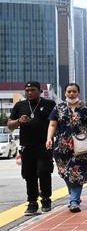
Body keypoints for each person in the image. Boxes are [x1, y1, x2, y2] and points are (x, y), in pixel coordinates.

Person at [46, 83, 87, 213]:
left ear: (78, 93)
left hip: (83, 146)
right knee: (65, 173)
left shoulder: (86, 107)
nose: (71, 94)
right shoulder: (58, 107)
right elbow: (53, 125)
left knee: (77, 172)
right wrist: (49, 139)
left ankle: (74, 201)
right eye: (69, 91)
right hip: (62, 146)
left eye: (74, 91)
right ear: (65, 93)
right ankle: (74, 195)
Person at [7, 81, 56, 215]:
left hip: (44, 145)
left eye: (33, 90)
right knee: (29, 175)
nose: (29, 92)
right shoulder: (20, 105)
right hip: (27, 146)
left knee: (43, 171)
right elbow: (9, 125)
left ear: (40, 91)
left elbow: (56, 122)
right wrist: (18, 121)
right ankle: (32, 203)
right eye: (27, 90)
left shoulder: (49, 104)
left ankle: (46, 199)